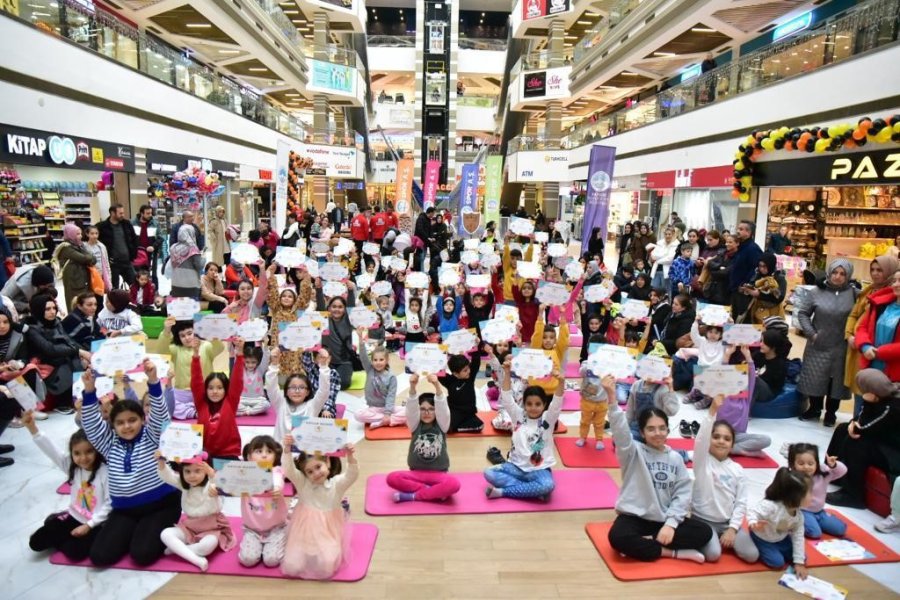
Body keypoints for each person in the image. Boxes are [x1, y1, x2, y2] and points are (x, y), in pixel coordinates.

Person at [81, 362, 183, 566]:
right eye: (120, 422)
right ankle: (133, 531)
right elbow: (91, 424)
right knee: (100, 557)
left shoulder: (153, 435)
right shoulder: (109, 442)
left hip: (160, 506)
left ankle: (145, 531)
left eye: (132, 420)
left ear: (142, 419)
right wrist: (90, 390)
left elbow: (161, 415)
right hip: (124, 510)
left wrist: (153, 382)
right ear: (113, 425)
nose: (127, 426)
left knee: (142, 555)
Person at [607, 399, 713, 563]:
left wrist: (670, 525)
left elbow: (683, 494)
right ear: (642, 433)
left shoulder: (676, 458)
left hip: (663, 518)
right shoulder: (632, 451)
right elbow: (620, 431)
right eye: (651, 429)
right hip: (634, 517)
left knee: (704, 532)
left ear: (668, 430)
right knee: (617, 537)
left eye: (662, 428)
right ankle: (671, 552)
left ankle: (645, 542)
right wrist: (611, 399)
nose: (657, 433)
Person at [23, 411, 108, 560]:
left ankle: (60, 533)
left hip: (95, 524)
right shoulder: (72, 466)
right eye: (77, 453)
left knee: (75, 552)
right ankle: (59, 525)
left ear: (97, 451)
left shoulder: (105, 472)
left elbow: (110, 504)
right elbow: (51, 450)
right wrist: (33, 428)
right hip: (73, 517)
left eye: (89, 452)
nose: (83, 458)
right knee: (35, 543)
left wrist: (89, 525)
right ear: (72, 454)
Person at [484, 357, 565, 500]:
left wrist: (561, 382)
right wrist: (507, 373)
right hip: (516, 467)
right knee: (488, 473)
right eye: (529, 404)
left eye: (537, 404)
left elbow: (557, 403)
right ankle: (531, 489)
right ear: (524, 404)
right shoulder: (518, 416)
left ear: (544, 405)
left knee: (548, 485)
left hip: (538, 469)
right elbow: (507, 398)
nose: (533, 408)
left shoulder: (548, 419)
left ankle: (503, 492)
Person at [280, 437, 358, 580]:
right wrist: (287, 449)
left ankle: (322, 551)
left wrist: (351, 457)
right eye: (309, 471)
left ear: (327, 462)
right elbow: (289, 470)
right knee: (292, 566)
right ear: (305, 474)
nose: (315, 473)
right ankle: (307, 551)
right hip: (304, 529)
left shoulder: (337, 484)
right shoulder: (303, 483)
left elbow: (352, 475)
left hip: (328, 530)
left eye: (318, 467)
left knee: (326, 567)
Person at [691, 395, 757, 563]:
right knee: (713, 555)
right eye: (716, 437)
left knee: (752, 555)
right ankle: (696, 538)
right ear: (710, 440)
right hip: (703, 520)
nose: (721, 441)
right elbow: (700, 440)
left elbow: (741, 502)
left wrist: (733, 529)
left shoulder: (737, 469)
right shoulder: (702, 461)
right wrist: (712, 411)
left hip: (727, 522)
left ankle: (724, 535)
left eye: (727, 439)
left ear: (733, 444)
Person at [826, 369, 900, 509]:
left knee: (857, 442)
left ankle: (852, 495)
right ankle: (834, 473)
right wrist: (853, 423)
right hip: (884, 438)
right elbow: (860, 421)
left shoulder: (893, 406)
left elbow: (865, 427)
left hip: (895, 454)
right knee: (842, 429)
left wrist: (867, 405)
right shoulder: (883, 395)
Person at [797, 259, 857, 427]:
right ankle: (815, 409)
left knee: (836, 381)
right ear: (829, 273)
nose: (837, 277)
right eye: (835, 272)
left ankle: (831, 413)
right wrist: (812, 334)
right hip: (818, 343)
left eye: (842, 274)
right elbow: (803, 313)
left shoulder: (854, 294)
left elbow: (860, 316)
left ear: (848, 276)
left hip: (842, 346)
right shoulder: (816, 292)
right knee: (815, 377)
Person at [386, 373, 461, 503]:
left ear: (436, 411)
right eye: (423, 409)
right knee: (392, 478)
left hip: (439, 474)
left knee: (454, 484)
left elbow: (443, 407)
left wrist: (437, 385)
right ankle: (432, 491)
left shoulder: (442, 425)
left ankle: (413, 496)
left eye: (431, 409)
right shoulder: (414, 425)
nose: (427, 413)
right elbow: (411, 408)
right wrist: (412, 387)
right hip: (417, 474)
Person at [156, 457, 235, 572]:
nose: (192, 476)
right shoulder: (184, 485)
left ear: (205, 471)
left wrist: (212, 474)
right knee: (165, 534)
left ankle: (178, 549)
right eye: (187, 471)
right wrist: (161, 461)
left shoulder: (210, 485)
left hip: (211, 528)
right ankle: (196, 560)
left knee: (206, 546)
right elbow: (167, 476)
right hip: (190, 527)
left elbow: (222, 484)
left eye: (197, 471)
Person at [844, 255, 898, 416]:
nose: (875, 273)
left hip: (891, 367)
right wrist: (854, 338)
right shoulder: (876, 299)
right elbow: (861, 324)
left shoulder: (880, 298)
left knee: (885, 411)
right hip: (867, 356)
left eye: (880, 270)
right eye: (872, 269)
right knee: (861, 399)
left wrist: (878, 352)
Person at [24, 294, 89, 414]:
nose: (52, 312)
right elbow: (50, 350)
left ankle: (81, 396)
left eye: (54, 308)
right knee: (68, 363)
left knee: (80, 360)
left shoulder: (56, 322)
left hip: (60, 358)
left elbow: (69, 340)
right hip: (45, 364)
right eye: (47, 309)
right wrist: (78, 351)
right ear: (39, 309)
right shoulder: (32, 329)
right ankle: (62, 403)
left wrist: (84, 354)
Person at [747, 468, 811, 579]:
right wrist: (753, 523)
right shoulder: (771, 506)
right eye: (809, 492)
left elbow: (798, 537)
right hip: (762, 538)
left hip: (781, 539)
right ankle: (758, 546)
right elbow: (752, 512)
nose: (812, 496)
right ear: (795, 496)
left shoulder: (799, 516)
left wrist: (799, 563)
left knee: (802, 558)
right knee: (777, 563)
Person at [160, 316, 225, 420]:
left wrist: (211, 332)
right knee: (167, 406)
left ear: (195, 331)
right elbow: (161, 350)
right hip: (182, 394)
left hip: (204, 393)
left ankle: (195, 410)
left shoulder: (206, 346)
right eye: (182, 336)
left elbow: (220, 347)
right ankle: (194, 412)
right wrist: (166, 331)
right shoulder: (176, 349)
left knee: (222, 402)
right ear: (178, 337)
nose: (187, 338)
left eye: (190, 333)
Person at [238, 436, 289, 567]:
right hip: (252, 530)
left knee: (271, 561)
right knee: (247, 560)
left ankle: (279, 540)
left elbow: (278, 480)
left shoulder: (276, 471)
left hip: (275, 528)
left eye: (269, 452)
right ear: (249, 457)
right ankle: (257, 546)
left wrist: (277, 488)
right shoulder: (243, 474)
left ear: (275, 456)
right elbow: (227, 482)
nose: (264, 455)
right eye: (259, 451)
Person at [190, 337, 245, 460]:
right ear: (205, 390)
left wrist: (240, 354)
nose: (215, 392)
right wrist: (195, 354)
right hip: (205, 453)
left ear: (226, 390)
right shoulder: (202, 403)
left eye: (219, 388)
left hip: (228, 453)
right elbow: (196, 382)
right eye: (210, 388)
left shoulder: (230, 402)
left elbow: (237, 381)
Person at [265, 349, 333, 442]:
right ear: (286, 391)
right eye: (292, 387)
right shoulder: (281, 403)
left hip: (304, 453)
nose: (297, 391)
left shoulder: (312, 405)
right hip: (281, 452)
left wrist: (324, 366)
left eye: (301, 387)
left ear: (308, 392)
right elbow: (271, 386)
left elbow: (324, 390)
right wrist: (274, 364)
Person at [787, 443, 847, 539]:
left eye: (810, 463)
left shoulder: (822, 473)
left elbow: (842, 471)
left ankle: (816, 522)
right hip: (802, 512)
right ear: (792, 464)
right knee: (815, 533)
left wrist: (834, 465)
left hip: (819, 512)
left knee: (841, 529)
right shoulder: (792, 477)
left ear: (817, 463)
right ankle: (796, 523)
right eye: (801, 463)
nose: (806, 467)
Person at [855, 268, 900, 385]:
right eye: (895, 281)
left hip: (894, 374)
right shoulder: (880, 304)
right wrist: (865, 346)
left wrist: (880, 352)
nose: (896, 285)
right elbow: (862, 327)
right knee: (863, 401)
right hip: (869, 366)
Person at [354, 334, 404, 428]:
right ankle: (386, 420)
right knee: (357, 414)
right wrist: (360, 339)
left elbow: (391, 397)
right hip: (373, 409)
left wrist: (387, 413)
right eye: (375, 360)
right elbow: (363, 357)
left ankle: (385, 419)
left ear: (387, 360)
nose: (378, 362)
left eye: (381, 360)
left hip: (387, 408)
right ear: (372, 361)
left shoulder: (391, 377)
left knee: (408, 412)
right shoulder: (370, 370)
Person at [54, 223, 97, 311]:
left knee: (85, 305)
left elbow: (93, 260)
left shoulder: (79, 245)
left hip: (83, 282)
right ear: (70, 234)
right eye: (77, 234)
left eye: (80, 234)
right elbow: (85, 258)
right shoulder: (66, 248)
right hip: (74, 284)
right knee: (75, 306)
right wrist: (89, 256)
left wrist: (89, 257)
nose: (80, 236)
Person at [439, 352, 483, 433]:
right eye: (465, 370)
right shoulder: (449, 381)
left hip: (469, 412)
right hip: (454, 410)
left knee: (479, 425)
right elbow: (439, 372)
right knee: (446, 427)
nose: (469, 371)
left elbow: (476, 363)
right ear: (455, 373)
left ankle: (456, 426)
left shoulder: (470, 377)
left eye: (468, 368)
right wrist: (440, 356)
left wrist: (476, 348)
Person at [96, 203, 138, 288]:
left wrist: (133, 254)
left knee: (135, 285)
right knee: (114, 288)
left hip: (127, 262)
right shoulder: (102, 226)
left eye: (123, 213)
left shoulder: (127, 224)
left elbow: (134, 239)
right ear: (112, 213)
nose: (123, 215)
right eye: (120, 213)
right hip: (112, 263)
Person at [729, 220, 763, 322]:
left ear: (748, 233)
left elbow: (756, 270)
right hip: (736, 291)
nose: (737, 231)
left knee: (743, 321)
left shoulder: (753, 249)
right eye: (738, 228)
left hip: (744, 293)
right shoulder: (741, 247)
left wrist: (746, 285)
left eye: (741, 229)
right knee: (734, 319)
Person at [740, 252, 786, 324]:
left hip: (773, 314)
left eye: (764, 266)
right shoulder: (758, 274)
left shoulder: (779, 278)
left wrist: (759, 294)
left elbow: (779, 297)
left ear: (770, 265)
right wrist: (747, 289)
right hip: (757, 312)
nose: (762, 269)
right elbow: (752, 284)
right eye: (760, 266)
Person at [576, 358, 611, 450]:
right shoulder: (586, 363)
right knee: (585, 421)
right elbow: (581, 373)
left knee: (600, 422)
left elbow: (613, 378)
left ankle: (599, 439)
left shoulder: (608, 365)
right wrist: (589, 365)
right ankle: (582, 437)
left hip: (602, 400)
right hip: (587, 400)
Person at [168, 226, 204, 299]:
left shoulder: (173, 247)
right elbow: (199, 265)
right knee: (191, 306)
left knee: (180, 306)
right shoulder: (193, 248)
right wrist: (203, 258)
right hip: (190, 283)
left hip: (176, 282)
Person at [133, 205, 163, 287]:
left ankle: (153, 291)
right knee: (137, 274)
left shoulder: (155, 223)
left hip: (150, 254)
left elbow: (160, 238)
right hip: (137, 255)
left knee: (152, 274)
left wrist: (153, 246)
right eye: (147, 213)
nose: (150, 215)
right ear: (141, 213)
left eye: (151, 213)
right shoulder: (132, 223)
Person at [237, 345, 270, 417]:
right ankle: (249, 410)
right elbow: (237, 357)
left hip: (258, 399)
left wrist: (266, 346)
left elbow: (266, 358)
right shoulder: (240, 369)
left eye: (253, 362)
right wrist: (238, 346)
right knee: (232, 403)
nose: (250, 365)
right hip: (242, 399)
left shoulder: (260, 369)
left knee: (266, 405)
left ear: (258, 362)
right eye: (247, 362)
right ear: (243, 360)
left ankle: (247, 411)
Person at [84, 225, 112, 294]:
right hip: (90, 275)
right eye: (92, 233)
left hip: (101, 274)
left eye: (96, 233)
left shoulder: (102, 246)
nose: (95, 236)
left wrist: (109, 276)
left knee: (100, 295)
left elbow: (106, 262)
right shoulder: (84, 247)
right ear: (87, 234)